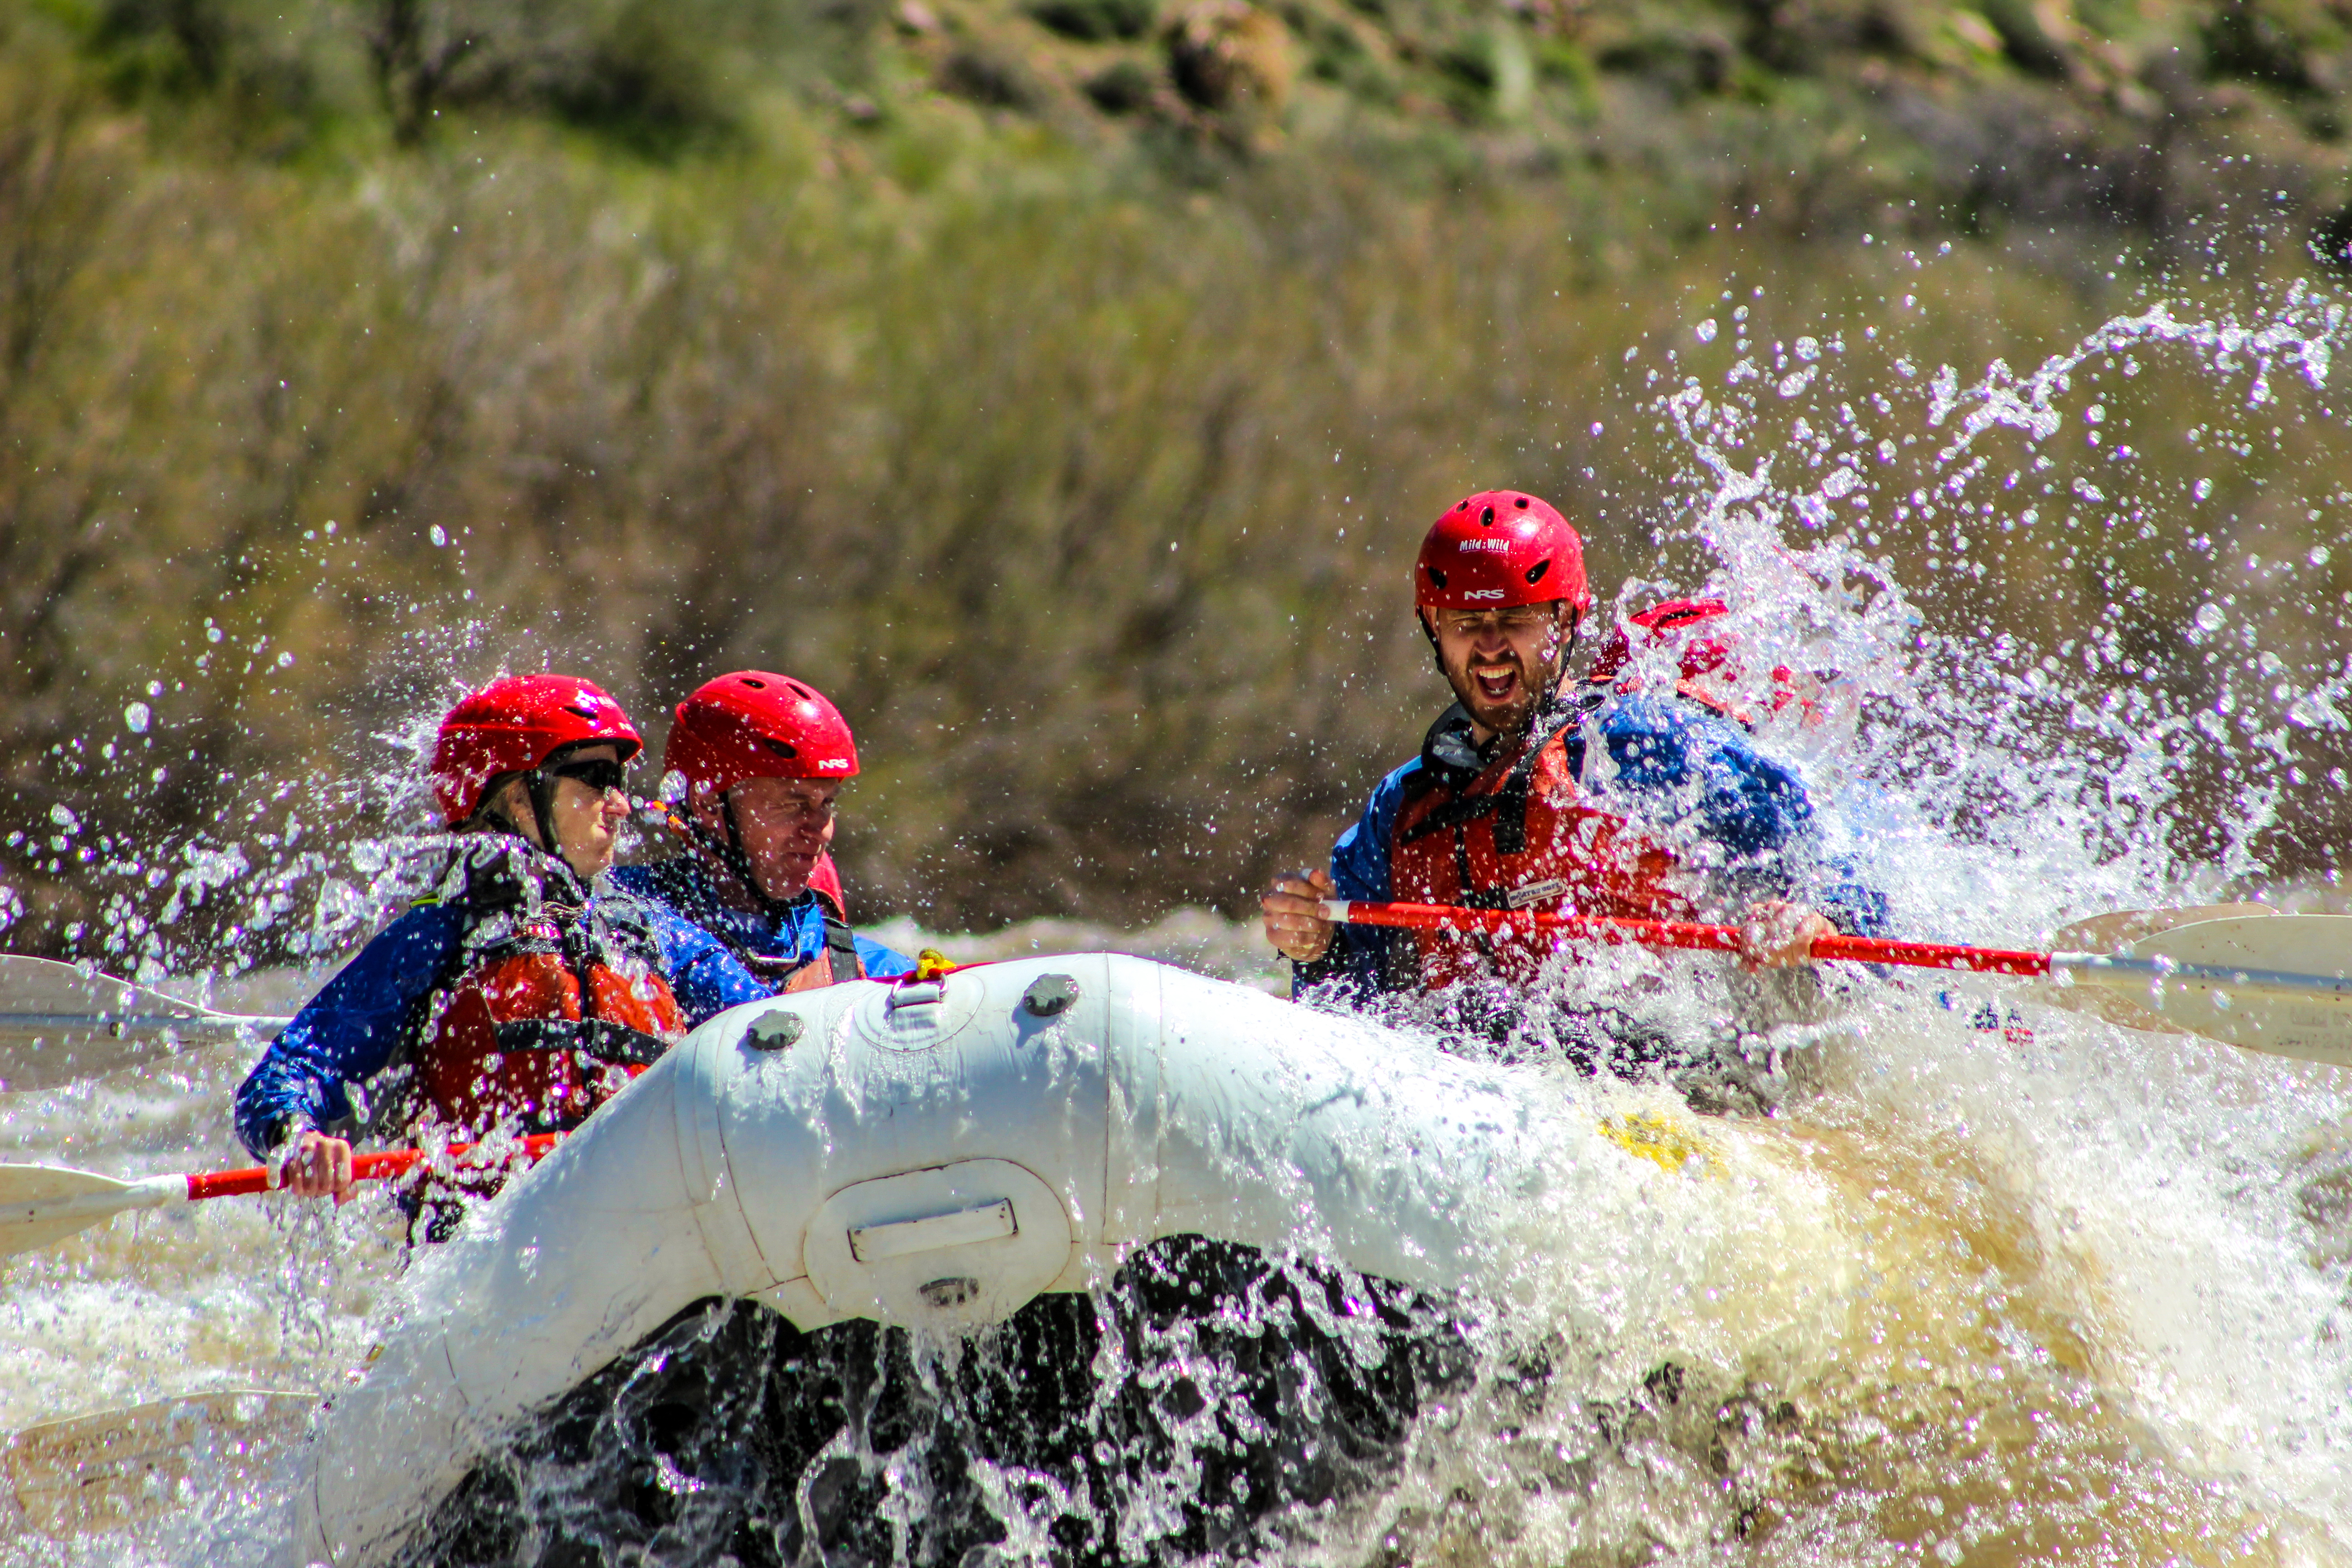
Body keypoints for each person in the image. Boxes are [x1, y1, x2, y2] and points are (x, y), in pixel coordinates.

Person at [1259, 490, 1886, 1085]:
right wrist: (1319, 948)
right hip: (1495, 1081)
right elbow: (1348, 1009)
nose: (1490, 646)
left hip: (1683, 1080)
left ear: (1563, 621)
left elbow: (1826, 854)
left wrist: (1818, 916)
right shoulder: (1402, 805)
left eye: (1516, 620)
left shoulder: (1640, 748)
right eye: (1466, 622)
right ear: (1434, 628)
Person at [235, 675, 749, 1228]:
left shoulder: (646, 929)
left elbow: (763, 1018)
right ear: (519, 797)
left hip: (652, 1230)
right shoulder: (439, 936)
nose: (621, 805)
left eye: (619, 780)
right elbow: (288, 1072)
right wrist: (299, 1137)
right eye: (598, 780)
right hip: (493, 1245)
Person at [617, 670, 914, 1007]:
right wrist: (800, 1010)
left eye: (827, 803)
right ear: (709, 803)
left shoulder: (876, 970)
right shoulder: (625, 917)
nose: (822, 829)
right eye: (794, 803)